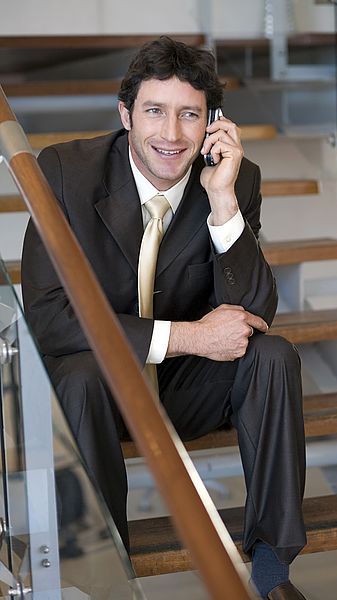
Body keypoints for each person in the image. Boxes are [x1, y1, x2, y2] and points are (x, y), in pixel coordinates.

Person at [21, 36, 308, 600]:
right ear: (126, 113)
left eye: (189, 115)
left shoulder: (236, 179)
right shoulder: (62, 173)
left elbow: (257, 314)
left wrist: (222, 201)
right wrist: (190, 335)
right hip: (99, 393)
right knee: (78, 377)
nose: (171, 135)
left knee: (274, 357)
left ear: (212, 123)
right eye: (154, 111)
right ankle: (103, 579)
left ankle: (273, 566)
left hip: (183, 388)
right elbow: (51, 319)